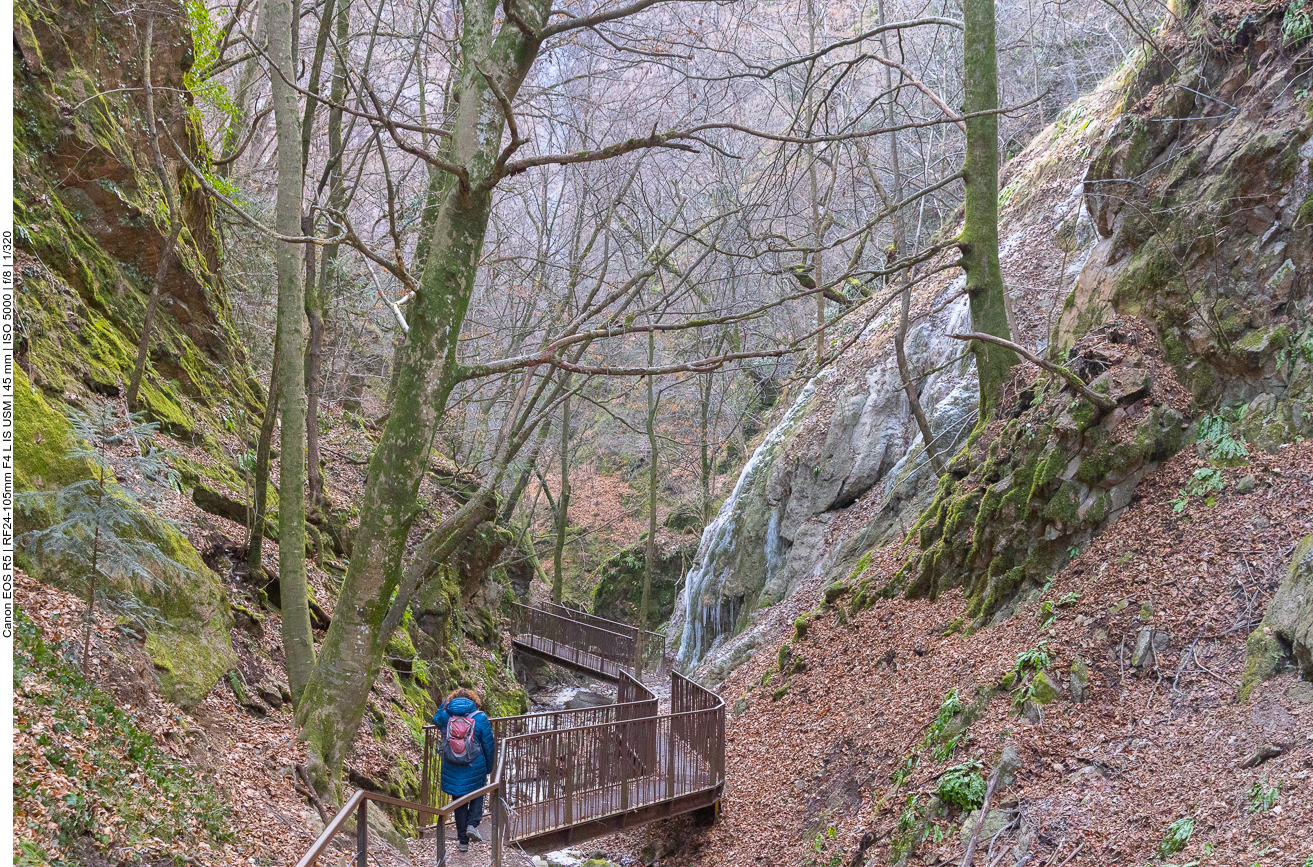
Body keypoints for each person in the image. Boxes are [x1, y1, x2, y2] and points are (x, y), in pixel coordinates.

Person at [432, 687, 496, 852]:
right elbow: (489, 746)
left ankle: (463, 842)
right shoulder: (480, 718)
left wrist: (445, 703)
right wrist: (488, 768)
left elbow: (435, 719)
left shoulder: (446, 716)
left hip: (452, 766)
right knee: (477, 794)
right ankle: (472, 824)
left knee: (459, 801)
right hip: (475, 765)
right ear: (474, 701)